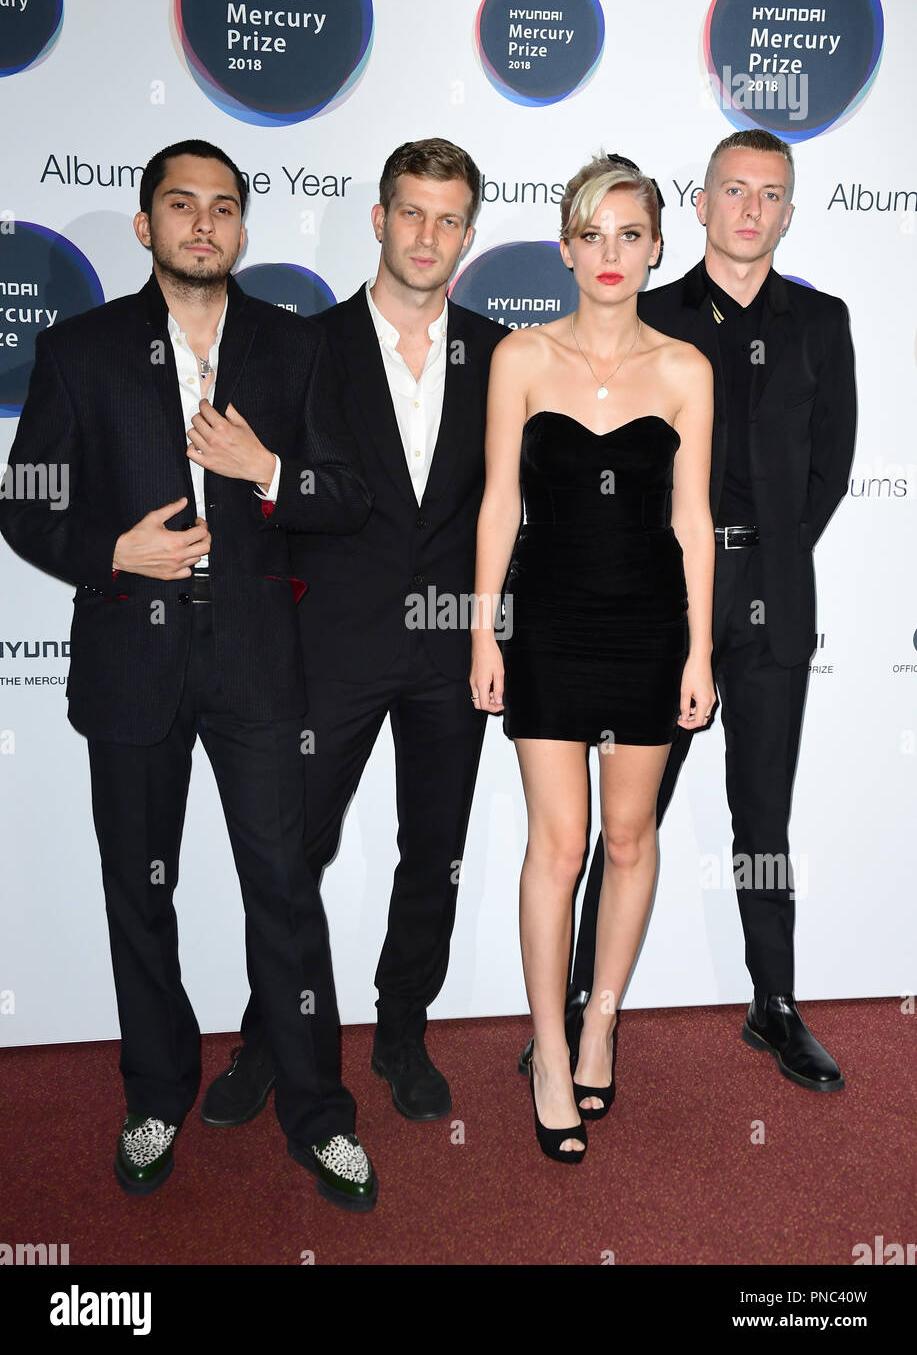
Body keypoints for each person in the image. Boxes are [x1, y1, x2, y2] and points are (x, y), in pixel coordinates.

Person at [0, 139, 379, 1212]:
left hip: (260, 659)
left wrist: (266, 469)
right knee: (140, 892)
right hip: (131, 655)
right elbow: (26, 499)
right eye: (180, 204)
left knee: (283, 895)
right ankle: (154, 1093)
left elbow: (346, 496)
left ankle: (318, 1112)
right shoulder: (79, 349)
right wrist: (113, 550)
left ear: (244, 231)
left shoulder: (295, 350)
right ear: (144, 225)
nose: (203, 223)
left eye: (222, 207)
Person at [530, 128, 857, 1094]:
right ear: (701, 205)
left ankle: (775, 1004)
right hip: (656, 603)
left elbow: (827, 472)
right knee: (623, 823)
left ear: (788, 214)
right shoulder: (646, 312)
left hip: (773, 601)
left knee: (763, 816)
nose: (751, 209)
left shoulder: (821, 321)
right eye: (733, 191)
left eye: (770, 194)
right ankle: (584, 1008)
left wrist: (761, 557)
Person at [201, 138, 509, 1128]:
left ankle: (403, 1030)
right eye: (410, 212)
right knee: (293, 852)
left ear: (468, 233)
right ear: (378, 219)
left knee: (436, 848)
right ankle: (269, 1036)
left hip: (451, 647)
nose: (427, 235)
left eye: (448, 217)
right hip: (327, 644)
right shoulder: (303, 347)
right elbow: (268, 501)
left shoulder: (500, 352)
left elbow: (510, 505)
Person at [471, 154, 715, 1160]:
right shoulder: (519, 359)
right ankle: (543, 1046)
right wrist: (482, 626)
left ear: (655, 248)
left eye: (629, 233)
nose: (608, 252)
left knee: (626, 841)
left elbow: (693, 519)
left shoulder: (684, 370)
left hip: (648, 626)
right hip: (548, 624)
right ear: (564, 246)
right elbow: (496, 503)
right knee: (558, 844)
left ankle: (599, 1018)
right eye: (590, 232)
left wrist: (699, 647)